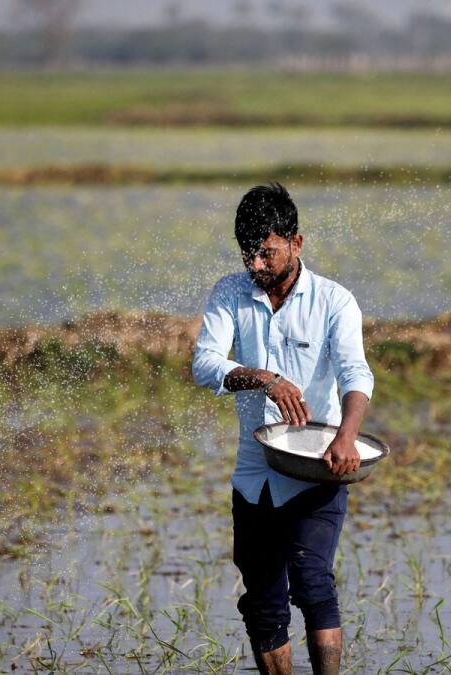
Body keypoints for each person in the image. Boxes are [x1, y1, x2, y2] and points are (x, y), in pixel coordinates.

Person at [192, 182, 374, 675]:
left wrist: (346, 438)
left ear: (296, 242)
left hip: (319, 464)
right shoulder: (230, 292)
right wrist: (263, 378)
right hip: (255, 471)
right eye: (248, 254)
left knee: (313, 581)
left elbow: (356, 374)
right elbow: (205, 363)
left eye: (267, 252)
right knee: (263, 599)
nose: (257, 265)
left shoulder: (334, 301)